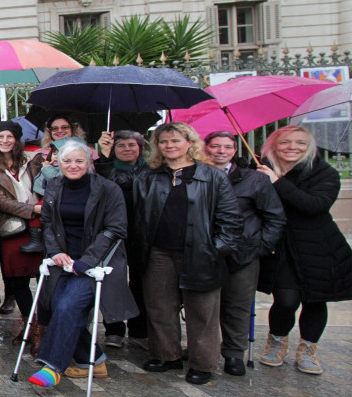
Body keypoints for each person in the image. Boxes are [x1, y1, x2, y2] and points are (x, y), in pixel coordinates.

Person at [114, 122, 242, 385]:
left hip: (201, 252)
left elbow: (230, 220)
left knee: (202, 312)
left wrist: (216, 249)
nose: (170, 146)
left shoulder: (212, 175)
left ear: (189, 143)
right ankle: (166, 354)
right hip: (158, 252)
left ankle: (202, 363)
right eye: (164, 142)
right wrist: (106, 155)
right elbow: (120, 188)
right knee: (159, 307)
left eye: (175, 141)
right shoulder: (147, 174)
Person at [27, 141, 138, 387]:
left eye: (79, 161)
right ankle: (95, 360)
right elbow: (47, 222)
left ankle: (53, 366)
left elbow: (116, 229)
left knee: (68, 306)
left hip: (95, 264)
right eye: (67, 160)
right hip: (62, 261)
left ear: (89, 163)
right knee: (57, 307)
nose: (73, 165)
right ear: (58, 162)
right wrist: (56, 252)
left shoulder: (108, 189)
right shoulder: (54, 185)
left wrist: (85, 261)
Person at [256, 125, 352, 375]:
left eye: (300, 143)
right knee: (286, 300)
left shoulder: (324, 173)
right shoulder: (261, 168)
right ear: (273, 145)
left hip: (319, 245)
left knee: (315, 299)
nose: (292, 147)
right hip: (282, 246)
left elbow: (314, 206)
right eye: (285, 142)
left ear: (309, 147)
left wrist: (277, 183)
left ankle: (308, 349)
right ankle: (276, 340)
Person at [199, 131, 287, 376]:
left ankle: (234, 354)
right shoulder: (196, 175)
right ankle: (204, 351)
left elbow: (275, 216)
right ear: (206, 148)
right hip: (205, 251)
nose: (221, 151)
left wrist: (261, 246)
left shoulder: (254, 180)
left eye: (227, 147)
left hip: (244, 253)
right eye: (215, 146)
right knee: (204, 306)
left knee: (237, 306)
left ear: (235, 150)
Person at [0, 121, 45, 353]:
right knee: (18, 280)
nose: (5, 140)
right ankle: (30, 326)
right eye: (0, 136)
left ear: (17, 139)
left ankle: (44, 327)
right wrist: (31, 210)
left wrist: (40, 209)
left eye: (9, 136)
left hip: (42, 225)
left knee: (44, 280)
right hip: (12, 227)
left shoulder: (33, 160)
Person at [94, 130, 150, 349]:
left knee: (141, 282)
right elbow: (111, 185)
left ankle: (140, 328)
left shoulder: (152, 169)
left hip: (142, 233)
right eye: (121, 146)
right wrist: (105, 158)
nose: (127, 149)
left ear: (140, 147)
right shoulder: (105, 168)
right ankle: (114, 329)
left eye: (132, 145)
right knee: (113, 280)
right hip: (114, 233)